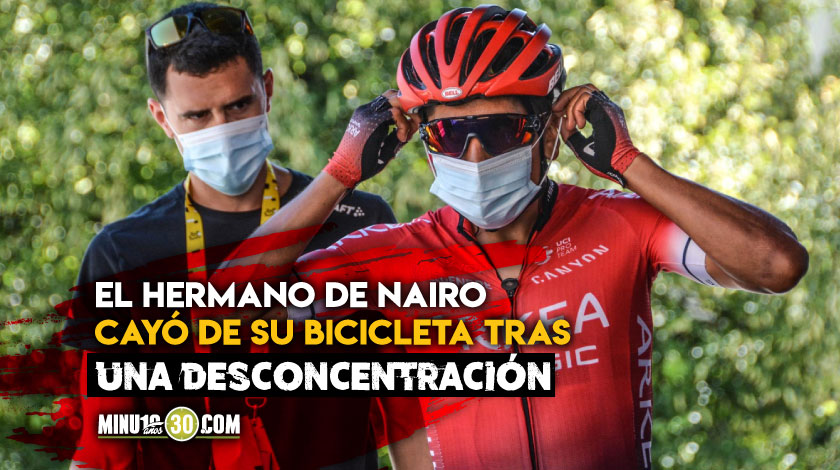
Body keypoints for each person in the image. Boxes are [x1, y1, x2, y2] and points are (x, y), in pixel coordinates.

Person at [227, 5, 810, 470]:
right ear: (424, 144)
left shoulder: (623, 224)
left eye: (502, 130)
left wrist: (631, 164)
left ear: (550, 133)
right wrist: (339, 174)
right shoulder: (385, 259)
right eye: (450, 135)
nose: (475, 156)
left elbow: (776, 265)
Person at [67, 3, 400, 469]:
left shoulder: (361, 220)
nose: (221, 129)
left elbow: (408, 410)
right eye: (196, 116)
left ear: (267, 91)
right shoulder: (121, 254)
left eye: (238, 105)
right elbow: (104, 443)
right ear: (162, 119)